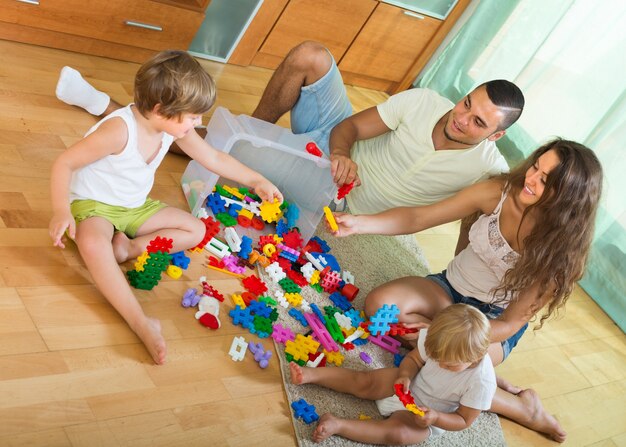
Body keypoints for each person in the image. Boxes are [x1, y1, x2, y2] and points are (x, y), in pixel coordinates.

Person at [331, 138, 603, 442]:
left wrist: (439, 331)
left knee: (447, 353)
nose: (531, 179)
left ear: (568, 198)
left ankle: (524, 409)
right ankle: (482, 376)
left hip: (491, 324)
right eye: (535, 167)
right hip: (450, 288)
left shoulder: (560, 254)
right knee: (381, 306)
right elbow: (421, 216)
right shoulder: (498, 192)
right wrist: (359, 223)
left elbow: (511, 323)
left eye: (545, 180)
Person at [54, 41, 524, 216]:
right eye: (467, 102)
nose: (461, 116)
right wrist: (340, 153)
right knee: (310, 56)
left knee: (207, 140)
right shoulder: (425, 102)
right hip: (331, 152)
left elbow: (485, 217)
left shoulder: (488, 170)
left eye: (477, 121)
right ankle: (249, 134)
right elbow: (349, 129)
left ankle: (101, 103)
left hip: (333, 193)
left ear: (495, 136)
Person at [49, 50, 283, 365]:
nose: (199, 123)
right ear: (161, 110)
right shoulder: (118, 130)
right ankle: (139, 322)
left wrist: (257, 180)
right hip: (95, 205)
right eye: (193, 116)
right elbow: (64, 162)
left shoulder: (171, 129)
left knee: (196, 229)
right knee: (92, 243)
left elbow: (213, 158)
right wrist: (61, 210)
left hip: (133, 207)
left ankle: (130, 249)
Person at [290, 304, 497, 445]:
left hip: (424, 414)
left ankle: (338, 424)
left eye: (450, 365)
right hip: (409, 383)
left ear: (477, 355)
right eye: (437, 358)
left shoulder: (482, 382)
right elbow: (414, 360)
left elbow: (463, 420)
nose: (441, 365)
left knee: (397, 435)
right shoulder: (440, 340)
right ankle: (311, 375)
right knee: (366, 381)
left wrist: (436, 418)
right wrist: (405, 375)